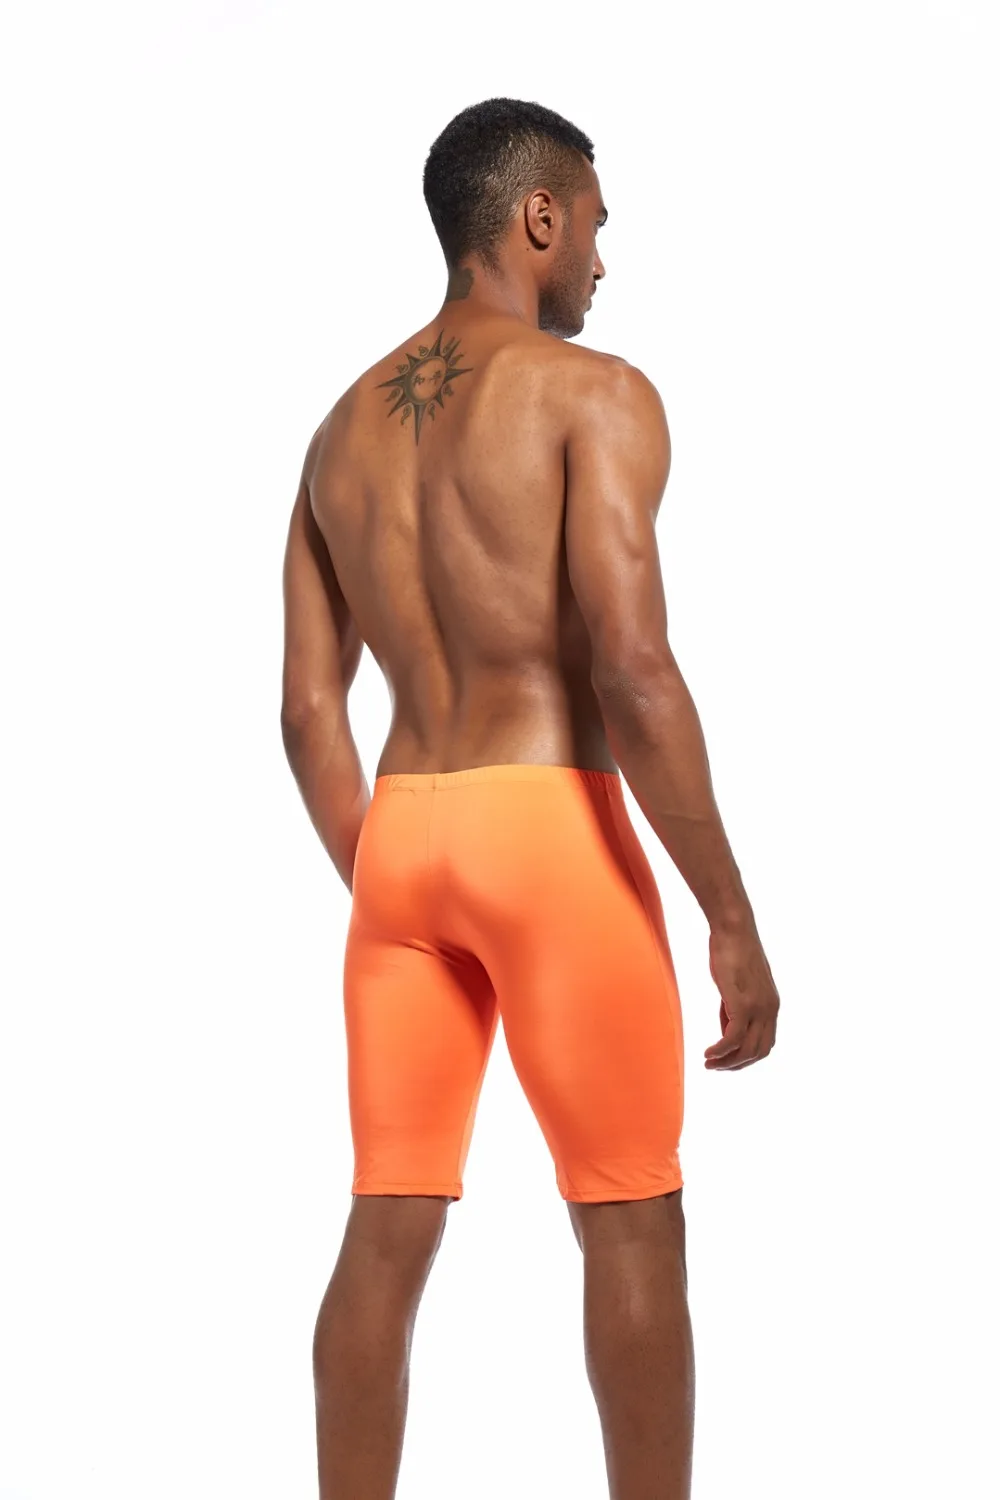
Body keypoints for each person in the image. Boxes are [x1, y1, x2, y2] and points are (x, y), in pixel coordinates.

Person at [280, 95, 780, 1500]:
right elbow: (633, 666)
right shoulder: (594, 394)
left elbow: (308, 711)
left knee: (388, 1224)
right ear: (538, 216)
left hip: (402, 839)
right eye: (597, 228)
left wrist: (394, 877)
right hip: (551, 833)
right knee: (630, 1220)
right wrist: (730, 916)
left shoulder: (336, 435)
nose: (605, 263)